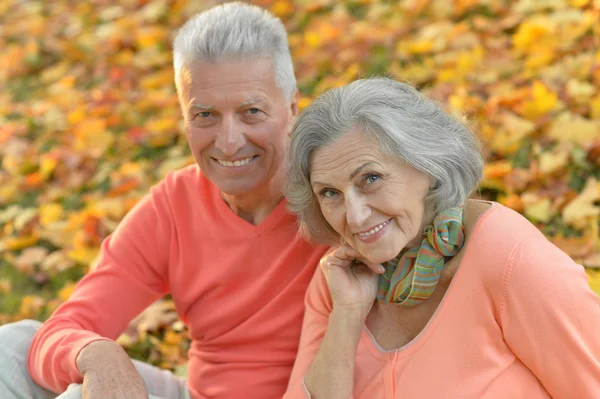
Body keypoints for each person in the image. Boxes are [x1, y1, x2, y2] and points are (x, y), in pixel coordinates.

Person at [0, 3, 328, 399]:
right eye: (205, 115)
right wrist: (96, 352)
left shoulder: (336, 195)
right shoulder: (175, 205)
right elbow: (68, 325)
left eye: (251, 112)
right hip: (198, 394)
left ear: (292, 109)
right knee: (12, 347)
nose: (228, 142)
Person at [282, 77, 600, 399]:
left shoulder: (510, 259)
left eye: (371, 178)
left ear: (427, 164)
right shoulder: (336, 281)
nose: (355, 216)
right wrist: (347, 314)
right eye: (330, 193)